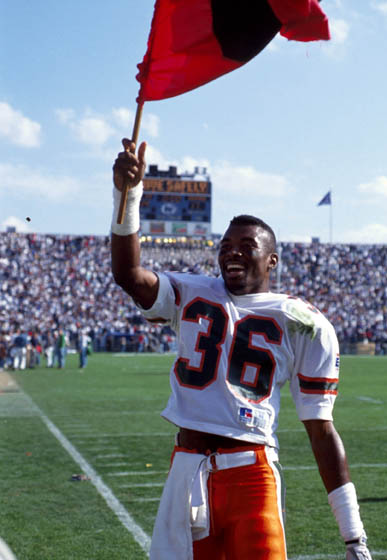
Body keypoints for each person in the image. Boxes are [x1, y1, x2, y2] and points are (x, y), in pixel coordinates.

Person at [111, 138, 372, 560]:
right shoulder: (192, 291)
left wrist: (353, 535)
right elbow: (128, 273)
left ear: (272, 261)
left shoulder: (305, 322)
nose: (232, 253)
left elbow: (321, 428)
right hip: (187, 468)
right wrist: (128, 195)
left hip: (251, 474)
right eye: (226, 246)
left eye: (246, 247)